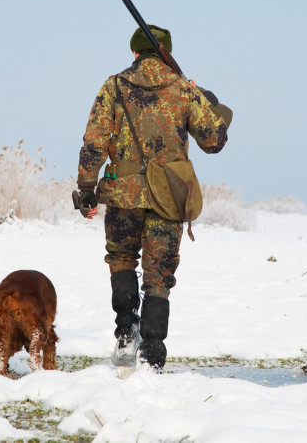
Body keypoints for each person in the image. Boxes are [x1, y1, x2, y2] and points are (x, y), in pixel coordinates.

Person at [76, 24, 232, 370]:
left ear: (135, 52)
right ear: (166, 52)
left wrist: (87, 189)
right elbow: (214, 141)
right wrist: (205, 99)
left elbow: (94, 141)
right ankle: (152, 352)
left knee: (121, 259)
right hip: (169, 197)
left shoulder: (114, 86)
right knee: (159, 275)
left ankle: (125, 335)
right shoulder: (182, 89)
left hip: (122, 194)